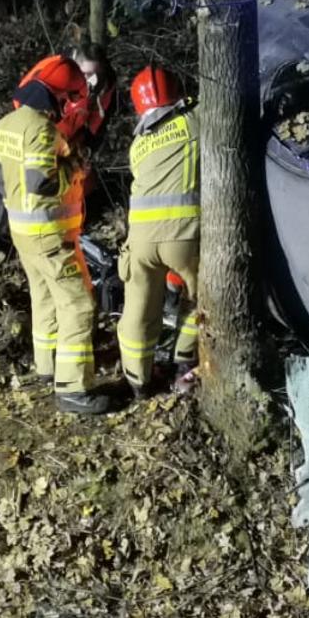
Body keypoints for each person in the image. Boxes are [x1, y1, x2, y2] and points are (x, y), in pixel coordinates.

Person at [0, 57, 116, 415]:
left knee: (44, 298)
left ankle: (48, 367)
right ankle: (74, 388)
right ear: (57, 96)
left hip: (22, 232)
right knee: (78, 304)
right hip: (49, 234)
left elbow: (1, 181)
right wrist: (74, 168)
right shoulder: (42, 131)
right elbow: (41, 182)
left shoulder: (6, 125)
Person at [116, 66, 200, 396]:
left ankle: (138, 381)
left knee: (138, 311)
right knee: (201, 300)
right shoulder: (195, 121)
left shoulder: (138, 143)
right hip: (182, 237)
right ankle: (183, 362)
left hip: (139, 241)